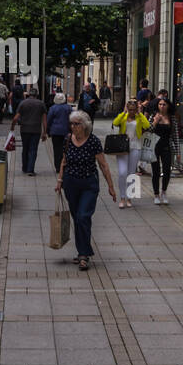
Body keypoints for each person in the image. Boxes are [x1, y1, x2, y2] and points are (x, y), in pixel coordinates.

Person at [56, 110, 117, 270]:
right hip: (71, 183)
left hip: (89, 184)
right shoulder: (68, 139)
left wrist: (110, 186)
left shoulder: (93, 141)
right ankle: (81, 251)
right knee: (78, 218)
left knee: (83, 216)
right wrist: (60, 180)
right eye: (71, 124)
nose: (73, 127)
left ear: (84, 126)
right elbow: (63, 161)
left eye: (76, 124)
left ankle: (84, 254)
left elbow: (103, 165)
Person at [111, 97, 151, 208]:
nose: (132, 112)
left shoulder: (139, 117)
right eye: (130, 109)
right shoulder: (123, 117)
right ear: (127, 108)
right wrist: (123, 112)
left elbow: (147, 125)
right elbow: (115, 122)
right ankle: (122, 197)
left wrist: (140, 114)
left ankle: (129, 198)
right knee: (122, 173)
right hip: (122, 148)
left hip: (135, 147)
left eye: (134, 109)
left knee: (131, 174)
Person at [11, 88, 48, 176]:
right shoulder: (41, 104)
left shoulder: (23, 103)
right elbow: (44, 120)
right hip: (36, 130)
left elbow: (15, 118)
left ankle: (24, 168)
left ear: (28, 94)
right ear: (37, 94)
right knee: (33, 149)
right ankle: (30, 170)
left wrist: (12, 126)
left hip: (24, 130)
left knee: (25, 149)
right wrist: (44, 132)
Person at [149, 96, 175, 205]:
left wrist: (178, 152)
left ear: (168, 106)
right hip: (154, 147)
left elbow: (175, 136)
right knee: (156, 172)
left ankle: (164, 192)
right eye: (160, 104)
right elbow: (148, 131)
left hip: (166, 147)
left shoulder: (171, 118)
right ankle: (156, 194)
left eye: (164, 104)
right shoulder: (153, 116)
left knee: (167, 170)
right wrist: (155, 122)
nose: (162, 106)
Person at [45, 92, 72, 174]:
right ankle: (66, 165)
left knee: (57, 150)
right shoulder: (68, 108)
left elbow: (49, 120)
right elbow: (73, 118)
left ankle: (57, 167)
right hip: (66, 131)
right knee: (67, 149)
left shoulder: (53, 108)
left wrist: (47, 130)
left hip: (55, 132)